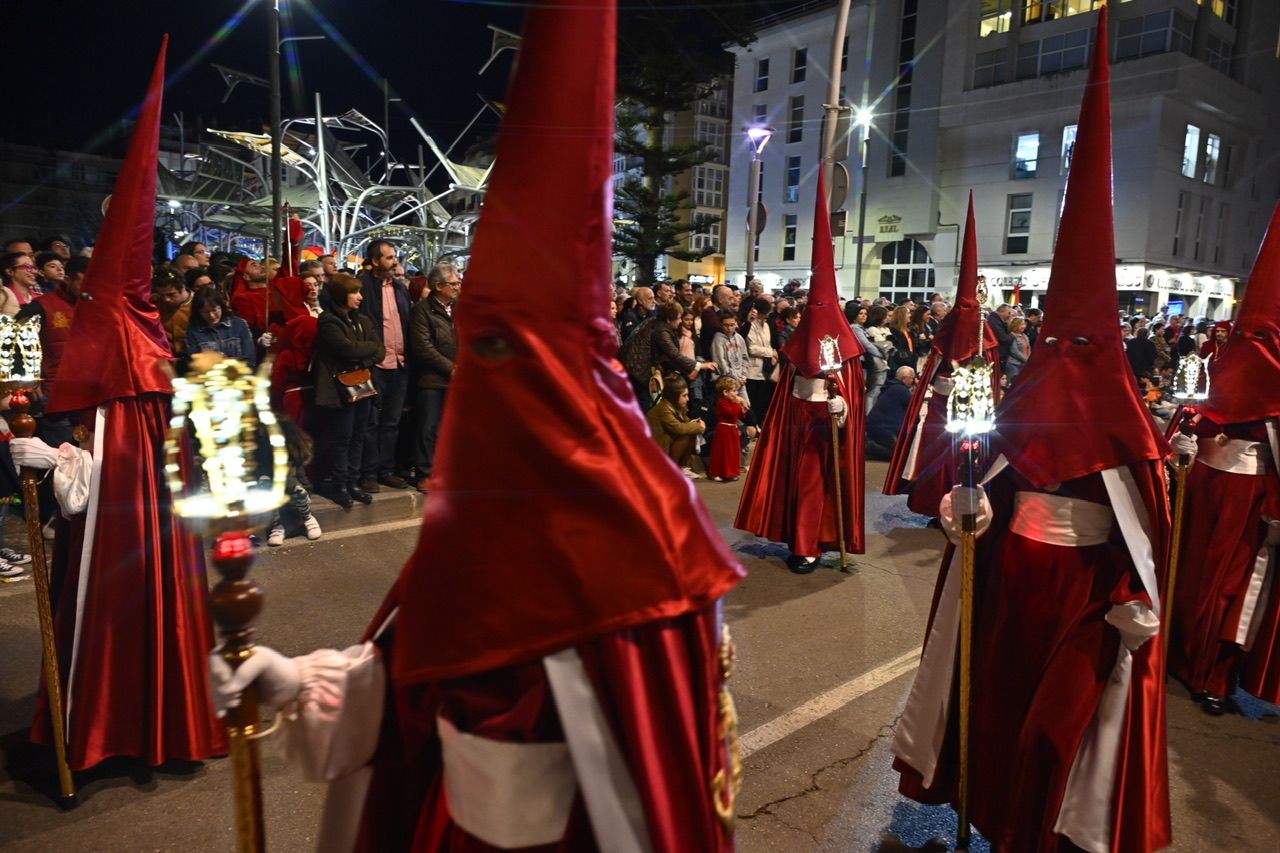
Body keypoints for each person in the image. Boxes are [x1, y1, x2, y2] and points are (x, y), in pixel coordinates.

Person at [207, 5, 744, 846]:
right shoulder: (495, 500)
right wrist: (292, 678)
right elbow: (418, 673)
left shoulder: (637, 541)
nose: (482, 373)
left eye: (498, 344)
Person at [893, 18, 1172, 850]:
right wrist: (964, 507)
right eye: (1057, 345)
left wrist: (1135, 600)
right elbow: (984, 486)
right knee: (990, 710)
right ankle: (990, 819)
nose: (1065, 362)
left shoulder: (1125, 431)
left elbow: (1142, 536)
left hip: (1082, 604)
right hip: (1010, 582)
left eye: (1080, 347)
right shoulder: (1028, 395)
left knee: (1055, 735)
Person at [10, 38, 228, 773]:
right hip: (138, 522)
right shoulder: (126, 354)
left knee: (116, 599)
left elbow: (112, 485)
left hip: (123, 535)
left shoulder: (135, 367)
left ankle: (110, 723)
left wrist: (56, 457)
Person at [1168, 201, 1280, 715]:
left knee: (1231, 587)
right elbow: (1194, 420)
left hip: (1249, 495)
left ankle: (1210, 671)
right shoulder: (1223, 366)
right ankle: (1184, 658)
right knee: (1198, 575)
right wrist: (1183, 447)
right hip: (1211, 487)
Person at [736, 173, 865, 574]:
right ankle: (800, 540)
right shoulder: (798, 338)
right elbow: (785, 380)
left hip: (827, 423)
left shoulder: (846, 344)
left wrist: (843, 403)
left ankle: (812, 543)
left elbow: (851, 388)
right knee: (798, 482)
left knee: (818, 483)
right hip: (797, 419)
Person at [311, 272, 385, 509]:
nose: (360, 297)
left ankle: (353, 482)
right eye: (355, 292)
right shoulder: (328, 321)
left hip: (362, 385)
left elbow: (379, 350)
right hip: (339, 389)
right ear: (341, 295)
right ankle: (340, 485)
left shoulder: (363, 320)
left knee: (358, 435)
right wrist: (365, 352)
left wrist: (362, 356)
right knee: (342, 437)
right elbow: (347, 350)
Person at [357, 239, 413, 491]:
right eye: (389, 257)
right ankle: (368, 473)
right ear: (376, 261)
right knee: (370, 421)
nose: (395, 262)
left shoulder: (400, 288)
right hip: (375, 364)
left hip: (399, 364)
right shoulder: (364, 286)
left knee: (392, 421)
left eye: (395, 257)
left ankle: (386, 469)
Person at [408, 262, 460, 492]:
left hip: (457, 380)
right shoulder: (422, 311)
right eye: (454, 283)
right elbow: (423, 348)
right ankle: (425, 473)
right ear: (439, 286)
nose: (459, 286)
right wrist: (451, 368)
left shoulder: (458, 308)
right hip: (432, 379)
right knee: (428, 429)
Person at [646, 375, 706, 477]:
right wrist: (699, 427)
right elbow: (678, 429)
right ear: (674, 396)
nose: (688, 399)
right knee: (686, 434)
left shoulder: (678, 405)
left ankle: (681, 467)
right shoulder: (663, 409)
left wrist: (696, 424)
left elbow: (686, 422)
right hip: (656, 449)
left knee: (691, 431)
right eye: (684, 395)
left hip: (667, 442)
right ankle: (673, 469)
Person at [185, 285, 257, 368]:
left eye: (214, 310)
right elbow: (194, 363)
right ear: (199, 312)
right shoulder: (193, 330)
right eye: (205, 312)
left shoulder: (239, 324)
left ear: (222, 307)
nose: (211, 315)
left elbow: (250, 361)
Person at [739, 296, 778, 417]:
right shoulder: (750, 325)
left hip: (765, 369)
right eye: (765, 313)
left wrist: (772, 352)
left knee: (761, 400)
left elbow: (767, 344)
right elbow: (751, 348)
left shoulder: (766, 325)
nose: (767, 316)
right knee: (752, 400)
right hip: (752, 369)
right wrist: (770, 352)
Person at [866, 366, 915, 461]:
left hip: (877, 427)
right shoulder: (901, 390)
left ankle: (871, 446)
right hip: (885, 429)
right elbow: (914, 405)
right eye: (912, 378)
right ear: (904, 378)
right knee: (899, 456)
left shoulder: (890, 387)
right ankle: (869, 447)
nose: (914, 380)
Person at [708, 375, 750, 482]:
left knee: (733, 452)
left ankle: (731, 472)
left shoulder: (732, 402)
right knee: (723, 452)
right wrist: (738, 403)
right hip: (724, 430)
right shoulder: (722, 402)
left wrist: (743, 408)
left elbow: (739, 415)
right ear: (725, 392)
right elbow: (730, 412)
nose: (736, 393)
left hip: (732, 430)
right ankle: (717, 472)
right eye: (734, 391)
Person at [862, 305, 892, 413]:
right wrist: (887, 345)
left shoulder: (882, 329)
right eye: (885, 316)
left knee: (878, 391)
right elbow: (883, 346)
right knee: (873, 391)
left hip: (883, 362)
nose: (887, 318)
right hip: (876, 362)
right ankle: (868, 416)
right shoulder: (872, 329)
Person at [1006, 316, 1030, 383]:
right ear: (1016, 325)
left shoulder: (1025, 336)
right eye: (1022, 324)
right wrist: (1027, 360)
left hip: (1023, 364)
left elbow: (1028, 348)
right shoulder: (1011, 336)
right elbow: (1014, 351)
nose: (1024, 326)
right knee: (1013, 384)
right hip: (1013, 364)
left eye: (1024, 324)